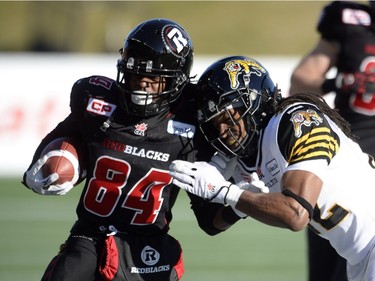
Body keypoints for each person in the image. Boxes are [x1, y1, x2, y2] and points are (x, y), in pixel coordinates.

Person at [22, 19, 242, 281]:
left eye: (154, 77)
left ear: (178, 79)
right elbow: (55, 145)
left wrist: (238, 204)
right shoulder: (97, 102)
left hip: (148, 253)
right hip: (89, 240)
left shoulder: (193, 123)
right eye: (136, 73)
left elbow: (210, 222)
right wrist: (49, 166)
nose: (142, 84)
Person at [169, 55, 375, 281]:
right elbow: (211, 223)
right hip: (359, 259)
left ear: (253, 101)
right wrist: (234, 205)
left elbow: (296, 214)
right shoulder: (246, 154)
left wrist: (227, 193)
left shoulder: (298, 120)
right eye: (215, 125)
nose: (223, 131)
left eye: (228, 117)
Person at [290, 1, 375, 280]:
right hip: (349, 165)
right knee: (330, 267)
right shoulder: (351, 24)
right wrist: (334, 83)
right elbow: (300, 82)